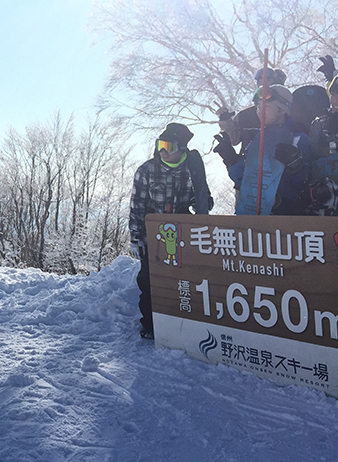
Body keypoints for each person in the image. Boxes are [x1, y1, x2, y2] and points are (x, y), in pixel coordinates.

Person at [129, 123, 211, 340]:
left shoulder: (191, 169)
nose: (163, 150)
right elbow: (137, 207)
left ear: (181, 148)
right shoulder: (146, 170)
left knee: (184, 279)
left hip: (181, 233)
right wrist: (136, 238)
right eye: (160, 145)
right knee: (150, 280)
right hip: (152, 235)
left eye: (169, 146)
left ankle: (182, 320)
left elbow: (197, 195)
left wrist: (203, 202)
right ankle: (150, 324)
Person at [220, 85, 312, 215]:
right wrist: (231, 160)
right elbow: (246, 181)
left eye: (265, 107)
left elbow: (309, 180)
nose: (259, 112)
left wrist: (296, 165)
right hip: (253, 217)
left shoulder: (297, 138)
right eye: (258, 107)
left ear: (282, 110)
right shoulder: (257, 140)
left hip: (287, 219)